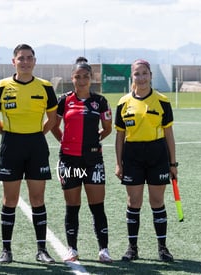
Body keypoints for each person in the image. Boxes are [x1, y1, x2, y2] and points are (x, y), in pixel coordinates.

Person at [0, 44, 58, 264]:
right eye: (21, 58)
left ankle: (41, 250)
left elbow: (53, 120)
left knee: (37, 198)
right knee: (10, 199)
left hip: (36, 145)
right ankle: (6, 250)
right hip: (11, 145)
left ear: (34, 61)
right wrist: (9, 135)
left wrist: (37, 135)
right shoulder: (1, 86)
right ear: (14, 61)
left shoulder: (45, 87)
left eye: (29, 58)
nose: (25, 62)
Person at [51, 57, 114, 263]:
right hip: (70, 161)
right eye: (77, 77)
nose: (81, 80)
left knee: (97, 206)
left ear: (91, 79)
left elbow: (107, 129)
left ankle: (104, 249)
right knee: (73, 206)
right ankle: (72, 249)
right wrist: (65, 141)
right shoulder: (64, 100)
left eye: (85, 77)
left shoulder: (101, 101)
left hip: (93, 160)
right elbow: (53, 125)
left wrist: (94, 142)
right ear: (72, 78)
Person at [114, 59, 177, 262]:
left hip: (157, 153)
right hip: (132, 155)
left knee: (157, 202)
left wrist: (173, 163)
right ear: (132, 77)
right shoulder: (123, 103)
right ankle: (132, 248)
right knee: (134, 202)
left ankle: (162, 248)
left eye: (144, 73)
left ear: (151, 75)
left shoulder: (162, 101)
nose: (141, 77)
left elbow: (169, 134)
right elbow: (119, 137)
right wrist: (118, 163)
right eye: (137, 74)